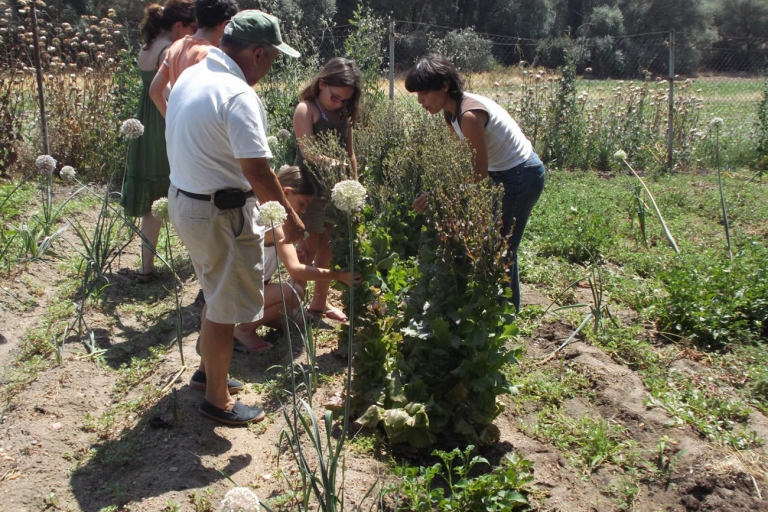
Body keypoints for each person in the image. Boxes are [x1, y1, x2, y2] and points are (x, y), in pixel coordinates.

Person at [166, 9, 303, 425]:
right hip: (219, 212)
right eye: (273, 58)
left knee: (215, 294)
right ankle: (218, 399)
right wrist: (289, 219)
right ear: (258, 53)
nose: (270, 66)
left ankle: (208, 374)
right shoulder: (237, 93)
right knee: (225, 307)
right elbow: (257, 171)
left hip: (187, 200)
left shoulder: (193, 74)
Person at [405, 54, 546, 313]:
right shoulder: (451, 115)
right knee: (496, 244)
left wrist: (441, 195)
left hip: (522, 175)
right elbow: (465, 166)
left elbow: (477, 176)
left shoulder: (469, 114)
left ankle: (505, 316)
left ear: (444, 86)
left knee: (501, 248)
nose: (420, 101)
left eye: (424, 93)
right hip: (499, 174)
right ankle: (499, 311)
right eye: (417, 94)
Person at [233, 166, 362, 351]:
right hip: (239, 294)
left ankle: (250, 320)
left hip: (242, 290)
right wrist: (338, 276)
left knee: (295, 320)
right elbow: (296, 271)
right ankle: (243, 331)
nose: (303, 210)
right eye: (302, 203)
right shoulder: (274, 223)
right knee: (295, 293)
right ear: (286, 192)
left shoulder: (258, 208)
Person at [121, 0, 197, 282]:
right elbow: (168, 93)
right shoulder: (169, 50)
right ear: (178, 25)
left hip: (146, 121)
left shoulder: (147, 46)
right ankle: (200, 259)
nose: (194, 34)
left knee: (154, 200)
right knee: (179, 193)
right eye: (192, 28)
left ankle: (146, 267)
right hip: (163, 121)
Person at [292, 57, 362, 322]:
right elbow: (307, 151)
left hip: (336, 190)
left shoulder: (344, 115)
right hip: (309, 191)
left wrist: (354, 183)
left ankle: (319, 305)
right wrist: (332, 162)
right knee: (307, 248)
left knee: (329, 247)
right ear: (322, 84)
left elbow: (350, 153)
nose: (340, 103)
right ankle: (294, 303)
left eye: (346, 100)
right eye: (336, 97)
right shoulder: (306, 109)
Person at [149, 0, 239, 118]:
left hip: (180, 127)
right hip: (203, 127)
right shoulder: (211, 56)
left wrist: (171, 120)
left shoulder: (176, 47)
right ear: (224, 25)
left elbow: (154, 90)